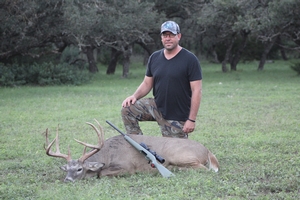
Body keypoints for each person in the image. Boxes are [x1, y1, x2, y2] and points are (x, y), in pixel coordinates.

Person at [121, 21, 202, 138]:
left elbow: (197, 91)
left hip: (177, 115)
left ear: (179, 36)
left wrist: (191, 120)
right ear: (161, 38)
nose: (168, 38)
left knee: (173, 155)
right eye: (165, 35)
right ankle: (137, 143)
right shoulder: (154, 57)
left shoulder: (190, 59)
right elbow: (147, 83)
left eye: (171, 35)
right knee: (127, 109)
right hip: (157, 106)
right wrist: (134, 96)